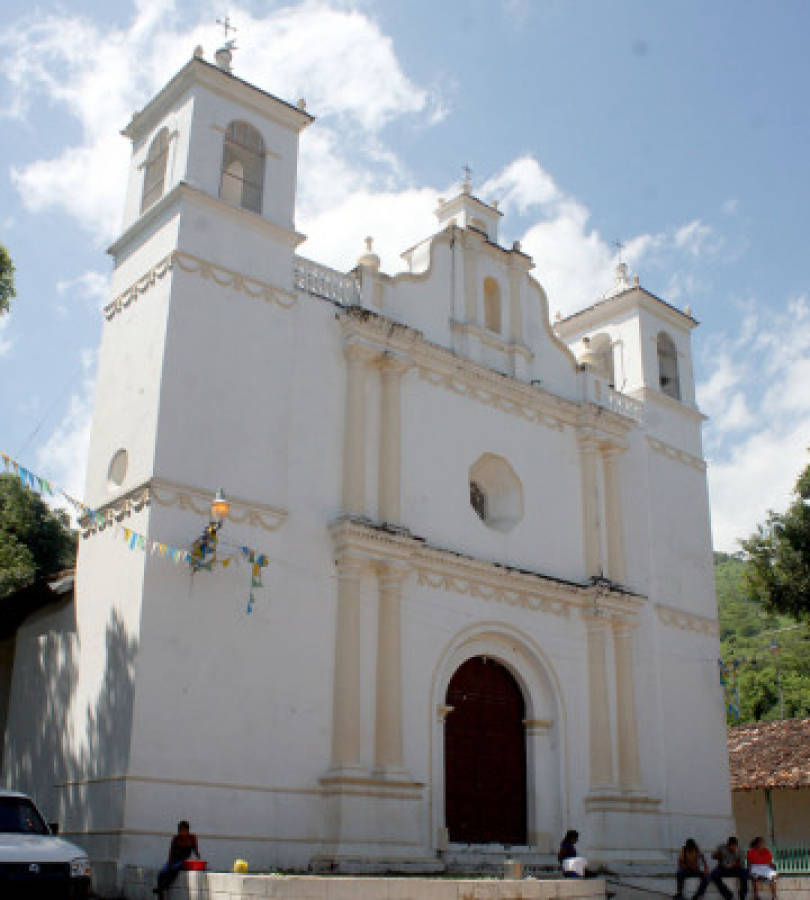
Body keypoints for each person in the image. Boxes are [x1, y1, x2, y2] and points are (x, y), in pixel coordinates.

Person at [154, 820, 200, 898]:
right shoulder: (176, 838)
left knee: (174, 869)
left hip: (184, 860)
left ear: (187, 830)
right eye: (180, 830)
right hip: (174, 859)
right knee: (161, 873)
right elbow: (171, 851)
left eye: (183, 830)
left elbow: (195, 850)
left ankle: (162, 888)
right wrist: (169, 862)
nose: (181, 832)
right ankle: (160, 893)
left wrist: (198, 858)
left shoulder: (192, 838)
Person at [710, 836, 748, 900]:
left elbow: (741, 863)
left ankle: (742, 894)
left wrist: (733, 864)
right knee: (713, 875)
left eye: (734, 846)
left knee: (744, 873)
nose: (732, 848)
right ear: (728, 845)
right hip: (723, 868)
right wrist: (717, 855)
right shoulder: (722, 848)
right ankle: (728, 894)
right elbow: (713, 856)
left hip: (735, 868)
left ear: (736, 846)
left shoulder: (740, 851)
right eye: (730, 846)